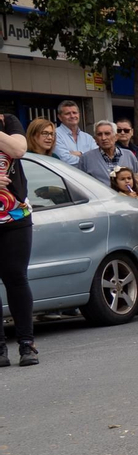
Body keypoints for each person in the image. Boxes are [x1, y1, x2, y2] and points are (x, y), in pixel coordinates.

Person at [0, 112, 39, 366]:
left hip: (14, 215)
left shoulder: (8, 121)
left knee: (16, 277)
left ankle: (26, 344)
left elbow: (18, 148)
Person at [77, 120, 138, 185]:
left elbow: (135, 180)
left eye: (107, 134)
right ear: (95, 139)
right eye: (99, 134)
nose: (103, 138)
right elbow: (81, 184)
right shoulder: (86, 158)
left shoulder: (129, 155)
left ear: (116, 137)